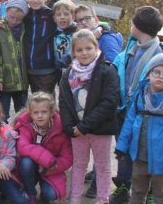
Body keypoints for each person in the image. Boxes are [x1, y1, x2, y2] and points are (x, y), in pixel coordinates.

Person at [110, 6, 163, 204]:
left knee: (148, 152)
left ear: (139, 27)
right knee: (125, 152)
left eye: (133, 22)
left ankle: (151, 191)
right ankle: (124, 186)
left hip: (149, 112)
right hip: (127, 111)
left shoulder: (162, 55)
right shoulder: (130, 50)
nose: (130, 25)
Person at [115, 54, 163, 204]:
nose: (160, 77)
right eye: (156, 72)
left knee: (161, 196)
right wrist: (121, 147)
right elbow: (129, 122)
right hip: (139, 157)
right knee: (137, 193)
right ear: (149, 73)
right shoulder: (140, 97)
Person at [58, 30, 119, 204]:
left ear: (96, 47)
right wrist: (69, 128)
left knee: (102, 166)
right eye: (79, 50)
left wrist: (84, 127)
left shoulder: (107, 70)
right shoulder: (68, 74)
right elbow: (64, 102)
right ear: (73, 52)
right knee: (78, 165)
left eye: (88, 48)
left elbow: (109, 102)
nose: (84, 53)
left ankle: (102, 199)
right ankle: (75, 197)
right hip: (77, 131)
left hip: (100, 129)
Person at [14, 92, 73, 204]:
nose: (40, 116)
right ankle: (30, 193)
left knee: (50, 195)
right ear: (30, 114)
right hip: (32, 167)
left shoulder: (61, 127)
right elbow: (22, 146)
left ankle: (44, 189)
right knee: (26, 162)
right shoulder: (25, 125)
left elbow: (68, 158)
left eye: (44, 112)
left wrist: (49, 166)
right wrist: (46, 159)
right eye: (36, 112)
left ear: (51, 112)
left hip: (51, 169)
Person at [0, 0, 29, 121]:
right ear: (6, 11)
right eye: (11, 17)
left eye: (18, 19)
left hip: (22, 82)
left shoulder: (26, 29)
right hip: (4, 82)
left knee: (23, 114)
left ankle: (21, 136)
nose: (14, 21)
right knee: (2, 114)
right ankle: (2, 137)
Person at [22, 0, 57, 95]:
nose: (35, 0)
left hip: (46, 68)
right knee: (33, 103)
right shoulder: (24, 15)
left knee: (46, 101)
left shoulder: (51, 15)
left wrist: (102, 27)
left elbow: (69, 23)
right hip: (27, 68)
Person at [52, 0, 77, 70]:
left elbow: (95, 26)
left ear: (73, 17)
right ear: (54, 19)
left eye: (66, 14)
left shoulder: (77, 31)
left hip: (74, 70)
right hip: (58, 69)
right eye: (58, 15)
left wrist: (102, 27)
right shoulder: (53, 32)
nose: (62, 17)